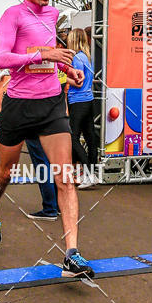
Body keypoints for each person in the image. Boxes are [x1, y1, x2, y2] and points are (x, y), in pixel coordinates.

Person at [0, 0, 94, 279]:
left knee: (65, 176)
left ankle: (72, 253)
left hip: (51, 105)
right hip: (19, 105)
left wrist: (65, 68)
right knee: (5, 172)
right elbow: (3, 58)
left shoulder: (52, 15)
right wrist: (45, 55)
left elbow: (46, 52)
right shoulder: (12, 16)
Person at [66, 28, 97, 186]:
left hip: (78, 101)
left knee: (72, 138)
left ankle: (87, 174)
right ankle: (89, 173)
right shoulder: (86, 57)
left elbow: (77, 83)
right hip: (88, 100)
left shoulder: (77, 58)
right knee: (90, 137)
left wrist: (64, 79)